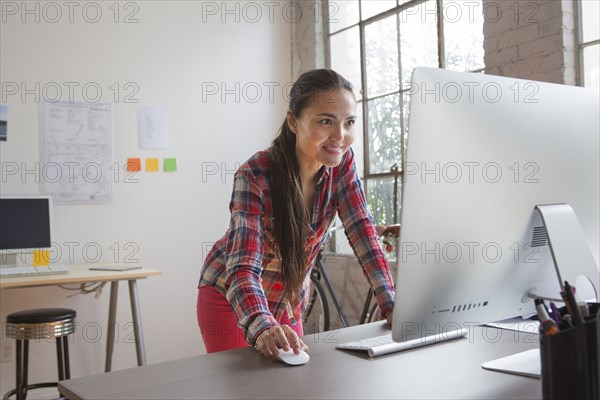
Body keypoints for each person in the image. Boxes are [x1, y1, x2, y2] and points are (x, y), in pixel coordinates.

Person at [197, 69, 396, 360]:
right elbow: (242, 267)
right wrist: (263, 326)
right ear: (294, 121)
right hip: (232, 298)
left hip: (288, 303)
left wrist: (390, 302)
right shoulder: (255, 174)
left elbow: (362, 230)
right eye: (326, 121)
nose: (339, 136)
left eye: (349, 122)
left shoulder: (341, 163)